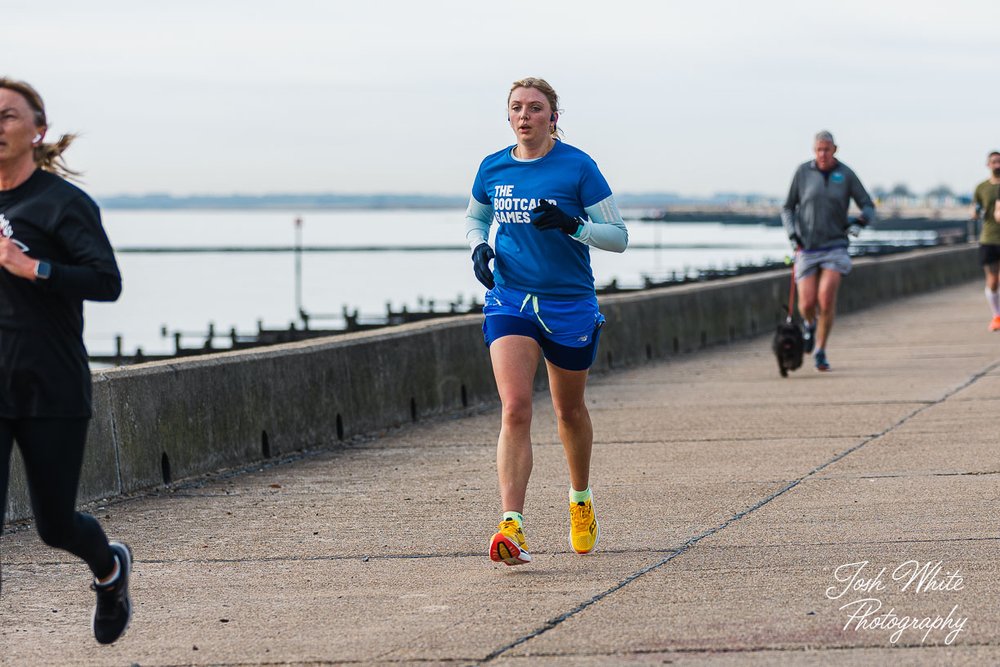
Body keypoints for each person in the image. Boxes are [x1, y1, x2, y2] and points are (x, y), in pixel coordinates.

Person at [465, 77, 628, 566]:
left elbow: (618, 237)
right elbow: (475, 217)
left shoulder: (578, 167)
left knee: (568, 412)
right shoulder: (492, 168)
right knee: (515, 407)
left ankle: (580, 497)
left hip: (568, 303)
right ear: (508, 116)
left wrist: (572, 225)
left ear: (552, 117)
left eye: (535, 108)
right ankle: (510, 524)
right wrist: (478, 246)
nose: (524, 115)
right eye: (516, 108)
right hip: (510, 298)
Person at [0, 77, 132, 643]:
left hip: (50, 386)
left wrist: (35, 268)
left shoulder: (62, 204)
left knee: (55, 525)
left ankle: (109, 570)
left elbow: (106, 283)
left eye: (7, 116)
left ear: (38, 130)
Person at [780, 130, 875, 372]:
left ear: (835, 150)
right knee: (807, 303)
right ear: (814, 150)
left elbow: (867, 204)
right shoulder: (803, 173)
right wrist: (792, 235)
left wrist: (859, 223)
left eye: (827, 149)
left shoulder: (845, 174)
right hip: (807, 246)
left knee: (826, 298)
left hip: (835, 245)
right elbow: (788, 208)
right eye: (818, 149)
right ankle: (810, 326)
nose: (822, 154)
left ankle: (820, 351)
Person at [971, 151, 1000, 332]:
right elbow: (975, 209)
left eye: (999, 161)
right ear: (988, 165)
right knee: (993, 280)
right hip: (989, 238)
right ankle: (996, 316)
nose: (997, 164)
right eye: (994, 161)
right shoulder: (981, 187)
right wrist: (974, 212)